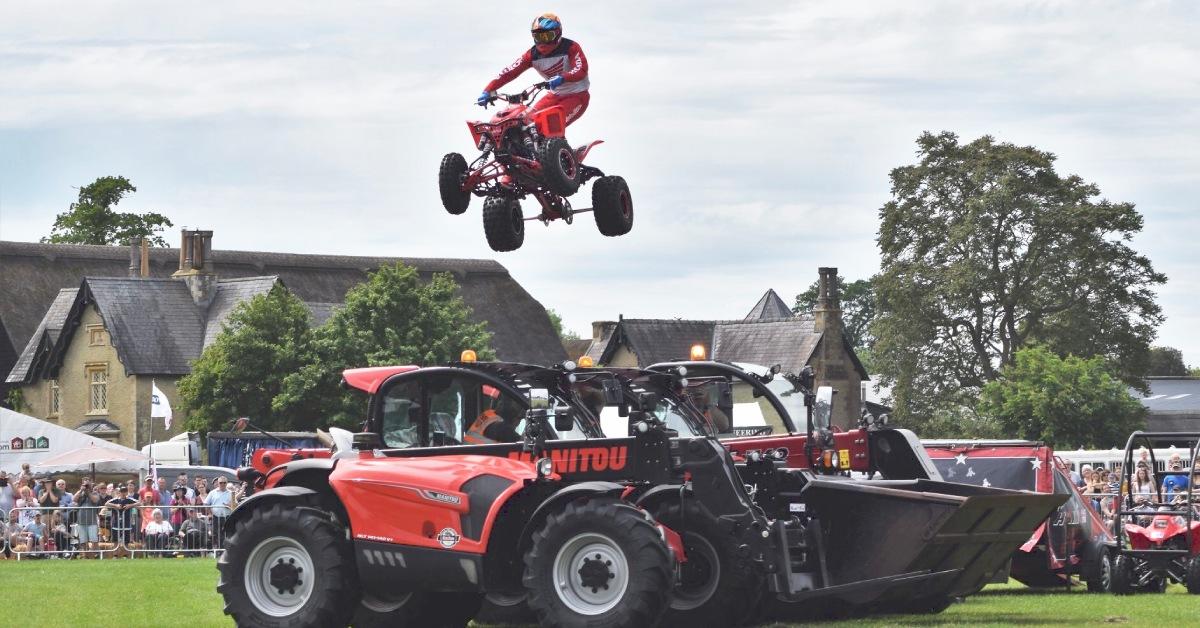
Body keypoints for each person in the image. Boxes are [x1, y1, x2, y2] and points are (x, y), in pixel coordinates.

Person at [478, 13, 590, 129]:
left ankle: (559, 147)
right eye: (538, 37)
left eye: (547, 37)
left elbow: (581, 69)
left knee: (549, 126)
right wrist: (488, 90)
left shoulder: (571, 47)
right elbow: (509, 73)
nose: (542, 42)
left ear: (557, 34)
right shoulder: (531, 55)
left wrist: (563, 78)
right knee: (524, 121)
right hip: (553, 96)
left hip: (577, 96)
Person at [73, 479, 103, 552]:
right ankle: (85, 555)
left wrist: (88, 492)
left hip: (92, 521)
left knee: (94, 540)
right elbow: (74, 499)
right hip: (81, 521)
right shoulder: (80, 493)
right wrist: (80, 491)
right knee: (83, 541)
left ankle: (95, 554)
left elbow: (95, 500)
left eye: (88, 485)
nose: (86, 486)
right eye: (85, 485)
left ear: (91, 485)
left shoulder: (95, 493)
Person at [204, 477, 236, 543]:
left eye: (224, 482)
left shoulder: (231, 493)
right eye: (221, 482)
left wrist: (229, 505)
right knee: (215, 534)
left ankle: (225, 550)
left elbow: (236, 505)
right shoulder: (212, 492)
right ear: (218, 483)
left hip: (227, 517)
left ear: (227, 483)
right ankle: (217, 551)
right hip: (216, 517)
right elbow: (206, 503)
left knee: (227, 534)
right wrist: (210, 513)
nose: (222, 484)